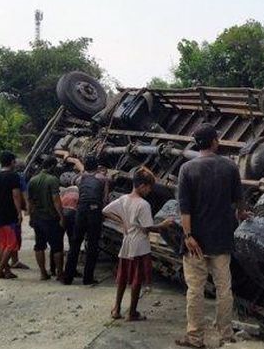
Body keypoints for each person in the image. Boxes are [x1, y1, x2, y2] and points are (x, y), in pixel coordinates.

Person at [175, 124, 251, 348]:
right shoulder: (229, 167)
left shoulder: (187, 169)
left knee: (195, 290)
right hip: (222, 239)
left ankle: (195, 338)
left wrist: (188, 235)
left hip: (195, 241)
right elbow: (239, 201)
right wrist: (243, 214)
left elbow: (184, 207)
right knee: (224, 289)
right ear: (214, 142)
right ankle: (225, 337)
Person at [103, 167, 174, 321]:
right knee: (137, 278)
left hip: (127, 241)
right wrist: (164, 224)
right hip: (140, 245)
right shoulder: (143, 205)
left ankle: (116, 308)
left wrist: (123, 222)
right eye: (149, 187)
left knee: (122, 277)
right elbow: (148, 227)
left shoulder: (124, 199)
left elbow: (106, 210)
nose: (149, 191)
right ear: (142, 186)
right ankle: (132, 312)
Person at [63, 154, 108, 285]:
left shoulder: (79, 178)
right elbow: (105, 200)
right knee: (93, 245)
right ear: (97, 167)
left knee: (75, 244)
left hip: (81, 211)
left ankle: (68, 278)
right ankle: (88, 278)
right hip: (94, 212)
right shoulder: (103, 179)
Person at [27, 156, 65, 281]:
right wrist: (61, 216)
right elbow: (56, 200)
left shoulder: (33, 180)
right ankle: (59, 274)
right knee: (57, 247)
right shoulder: (52, 180)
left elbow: (30, 201)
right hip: (51, 218)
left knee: (39, 245)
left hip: (38, 217)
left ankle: (43, 273)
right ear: (52, 166)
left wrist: (31, 217)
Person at [0, 151, 24, 279]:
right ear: (12, 162)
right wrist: (19, 212)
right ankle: (0, 270)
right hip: (10, 215)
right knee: (12, 243)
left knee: (1, 243)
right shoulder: (14, 177)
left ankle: (7, 271)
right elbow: (16, 195)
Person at [9, 160, 30, 271]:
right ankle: (13, 261)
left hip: (2, 211)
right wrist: (25, 208)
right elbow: (22, 193)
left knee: (4, 236)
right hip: (13, 211)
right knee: (15, 236)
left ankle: (8, 261)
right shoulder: (19, 177)